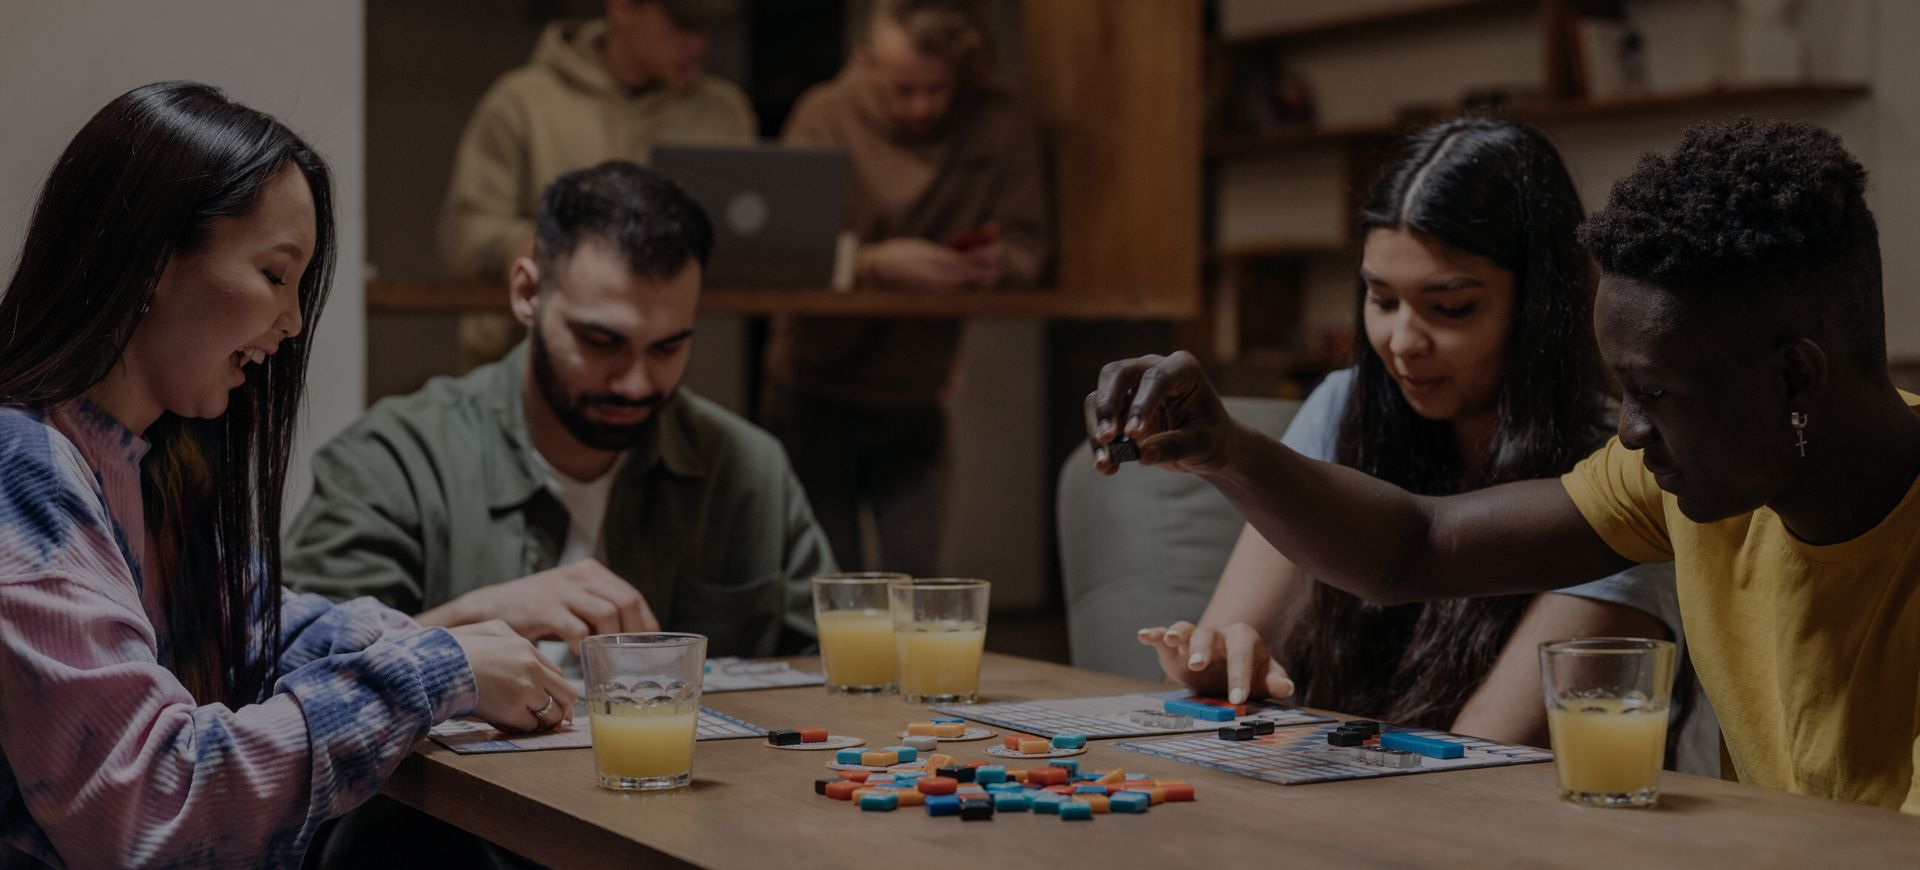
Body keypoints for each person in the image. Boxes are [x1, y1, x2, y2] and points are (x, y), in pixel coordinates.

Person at [1086, 119, 1920, 813]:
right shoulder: (1677, 480)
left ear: (1795, 377)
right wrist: (1226, 448)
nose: (1628, 433)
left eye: (1657, 394)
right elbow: (1419, 547)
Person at [0, 81, 568, 867]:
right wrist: (437, 668)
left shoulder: (154, 459)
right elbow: (147, 803)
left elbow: (260, 632)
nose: (294, 322)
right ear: (150, 261)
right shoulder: (20, 466)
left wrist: (451, 648)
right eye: (275, 275)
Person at [1134, 119, 1703, 760]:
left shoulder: (1625, 467)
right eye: (1380, 299)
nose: (1403, 341)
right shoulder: (1342, 404)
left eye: (1450, 308)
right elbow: (1225, 649)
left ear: (1541, 303)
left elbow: (1482, 760)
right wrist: (1216, 668)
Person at [288, 160, 834, 659]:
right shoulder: (394, 461)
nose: (636, 383)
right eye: (602, 341)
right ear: (527, 294)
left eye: (668, 347)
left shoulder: (748, 471)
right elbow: (293, 675)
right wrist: (471, 624)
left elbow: (837, 676)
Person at [762, 0, 1050, 576]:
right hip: (813, 383)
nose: (920, 107)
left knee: (921, 590)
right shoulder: (825, 115)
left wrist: (999, 264)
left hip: (920, 390)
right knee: (825, 585)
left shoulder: (998, 120)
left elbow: (1030, 242)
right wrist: (871, 264)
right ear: (868, 62)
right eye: (902, 88)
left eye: (937, 89)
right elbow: (779, 249)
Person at [439, 0, 756, 366]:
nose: (698, 45)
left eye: (705, 29)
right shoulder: (521, 102)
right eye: (681, 24)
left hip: (661, 369)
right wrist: (534, 246)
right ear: (622, 8)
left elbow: (744, 239)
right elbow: (463, 234)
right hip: (526, 363)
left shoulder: (722, 112)